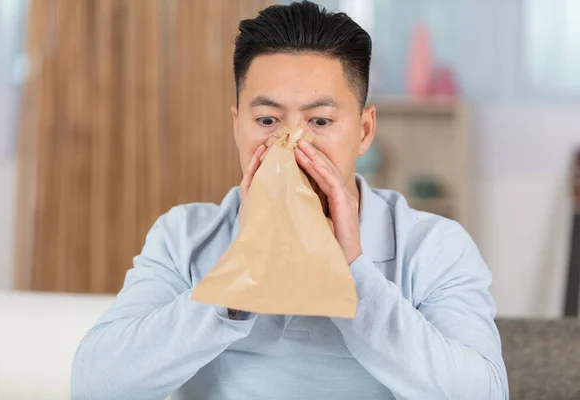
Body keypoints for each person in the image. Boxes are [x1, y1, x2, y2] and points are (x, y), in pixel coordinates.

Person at [71, 1, 509, 399]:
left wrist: (353, 271)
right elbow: (95, 385)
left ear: (364, 131)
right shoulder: (183, 236)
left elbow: (484, 394)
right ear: (237, 127)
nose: (292, 141)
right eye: (266, 119)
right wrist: (240, 277)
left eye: (320, 119)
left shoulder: (434, 247)